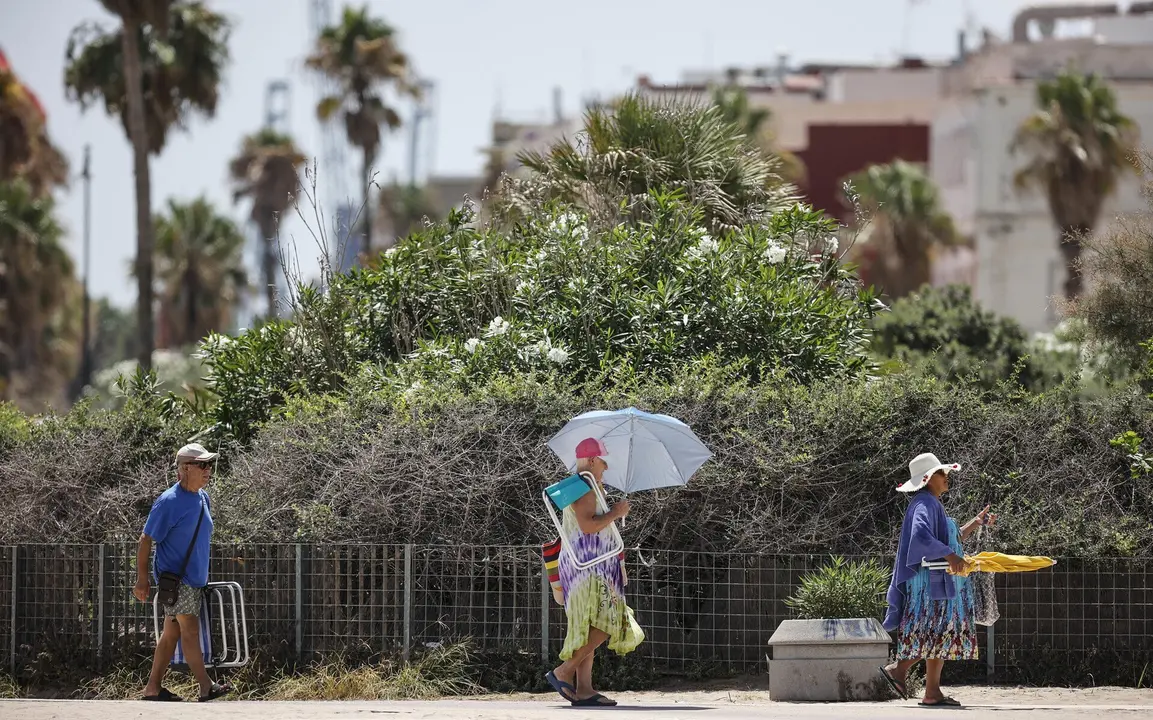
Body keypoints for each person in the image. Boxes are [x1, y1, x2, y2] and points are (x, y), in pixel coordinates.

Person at [880, 452, 996, 708]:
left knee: (938, 632)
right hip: (929, 584)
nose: (947, 478)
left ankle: (930, 690)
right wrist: (950, 555)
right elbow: (921, 537)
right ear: (929, 477)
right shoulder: (924, 504)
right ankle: (899, 671)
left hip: (937, 580)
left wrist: (976, 523)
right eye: (943, 473)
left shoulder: (931, 504)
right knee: (935, 630)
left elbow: (951, 538)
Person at [545, 438, 645, 707]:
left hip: (586, 565)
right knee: (610, 619)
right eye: (603, 461)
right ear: (591, 461)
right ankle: (564, 671)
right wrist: (616, 512)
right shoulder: (584, 487)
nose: (606, 467)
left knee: (588, 625)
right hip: (589, 567)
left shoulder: (581, 485)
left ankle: (585, 689)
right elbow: (589, 527)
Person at [133, 442, 232, 702]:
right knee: (189, 629)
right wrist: (142, 580)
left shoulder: (202, 498)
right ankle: (205, 686)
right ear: (185, 469)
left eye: (209, 465)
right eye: (202, 465)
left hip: (194, 581)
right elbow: (145, 540)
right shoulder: (168, 501)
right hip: (179, 581)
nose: (208, 469)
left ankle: (152, 688)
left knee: (171, 634)